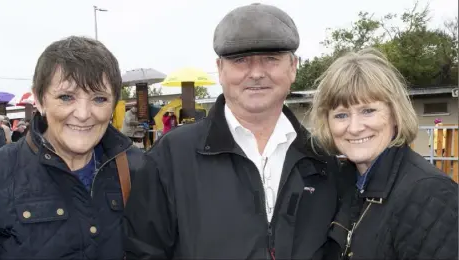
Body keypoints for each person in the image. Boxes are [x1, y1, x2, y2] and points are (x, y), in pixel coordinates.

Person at [124, 3, 341, 259]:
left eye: (271, 59)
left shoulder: (324, 159)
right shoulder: (171, 157)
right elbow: (143, 251)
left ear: (293, 67)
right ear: (220, 70)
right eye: (240, 60)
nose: (257, 73)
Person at [0, 36, 145, 259]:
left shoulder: (140, 170)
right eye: (66, 97)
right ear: (39, 100)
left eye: (99, 99)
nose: (83, 114)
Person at [308, 48, 458, 259]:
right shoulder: (343, 184)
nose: (354, 127)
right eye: (341, 115)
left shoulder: (430, 192)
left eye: (368, 111)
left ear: (395, 115)